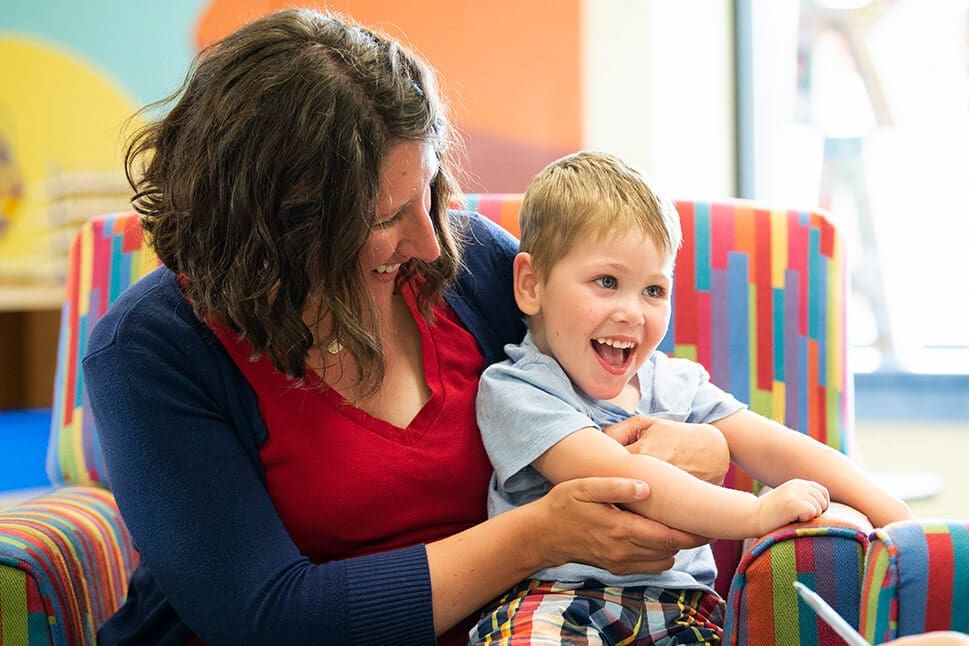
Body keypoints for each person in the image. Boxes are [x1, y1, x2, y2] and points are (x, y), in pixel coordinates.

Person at [82, 9, 724, 645]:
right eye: (386, 217)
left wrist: (707, 447)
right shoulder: (148, 350)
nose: (427, 240)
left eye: (430, 190)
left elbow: (628, 389)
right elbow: (268, 618)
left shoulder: (467, 264)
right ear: (279, 229)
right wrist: (538, 536)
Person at [471, 151, 915, 644]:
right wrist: (753, 513)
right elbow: (628, 478)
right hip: (557, 602)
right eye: (607, 282)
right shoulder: (518, 388)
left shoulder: (675, 383)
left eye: (654, 291)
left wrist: (902, 524)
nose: (632, 313)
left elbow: (777, 448)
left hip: (683, 610)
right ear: (531, 285)